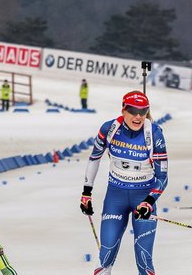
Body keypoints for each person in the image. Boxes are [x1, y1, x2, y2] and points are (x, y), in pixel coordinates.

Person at [79, 90, 168, 275]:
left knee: (144, 260)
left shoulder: (154, 133)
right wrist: (86, 193)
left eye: (143, 111)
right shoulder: (109, 129)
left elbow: (162, 177)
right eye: (133, 111)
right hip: (115, 197)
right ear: (123, 110)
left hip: (143, 197)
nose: (138, 116)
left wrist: (149, 202)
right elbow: (94, 159)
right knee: (106, 255)